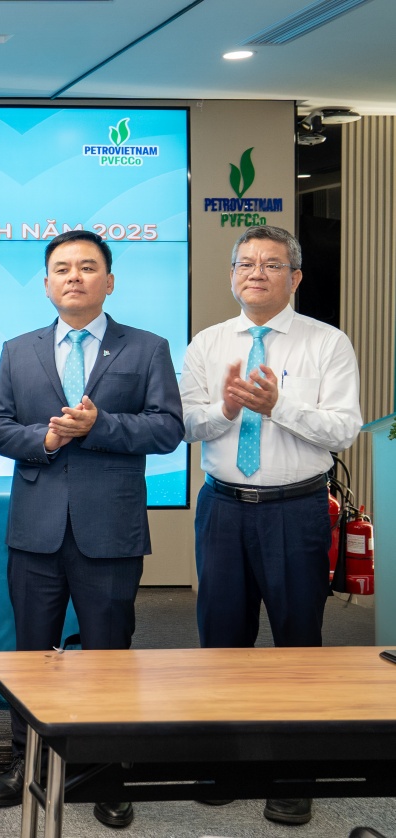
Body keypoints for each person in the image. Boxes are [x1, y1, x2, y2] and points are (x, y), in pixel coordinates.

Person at [0, 229, 184, 829]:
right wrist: (45, 439)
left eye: (88, 267)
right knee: (30, 655)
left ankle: (105, 771)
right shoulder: (17, 350)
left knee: (108, 655)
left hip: (110, 528)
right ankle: (24, 759)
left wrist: (100, 426)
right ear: (47, 283)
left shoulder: (147, 348)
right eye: (63, 268)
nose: (74, 276)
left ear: (110, 281)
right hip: (36, 529)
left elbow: (167, 428)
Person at [180, 225, 360, 827]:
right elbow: (185, 424)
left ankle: (293, 775)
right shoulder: (207, 343)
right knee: (220, 642)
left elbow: (343, 430)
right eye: (246, 263)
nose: (257, 273)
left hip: (295, 511)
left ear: (296, 277)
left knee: (297, 645)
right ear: (232, 274)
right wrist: (226, 409)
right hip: (223, 509)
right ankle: (225, 765)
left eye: (272, 264)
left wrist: (277, 405)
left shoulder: (326, 343)